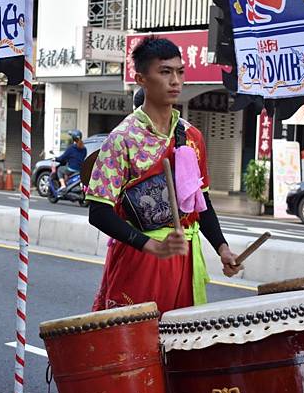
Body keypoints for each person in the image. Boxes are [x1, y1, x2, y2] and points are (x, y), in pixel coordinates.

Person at [86, 36, 242, 314]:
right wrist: (152, 246)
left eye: (180, 72)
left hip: (184, 259)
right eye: (165, 72)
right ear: (141, 78)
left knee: (181, 350)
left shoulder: (192, 136)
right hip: (140, 258)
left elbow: (201, 203)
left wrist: (222, 248)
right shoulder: (122, 138)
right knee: (137, 350)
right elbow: (98, 211)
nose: (175, 81)